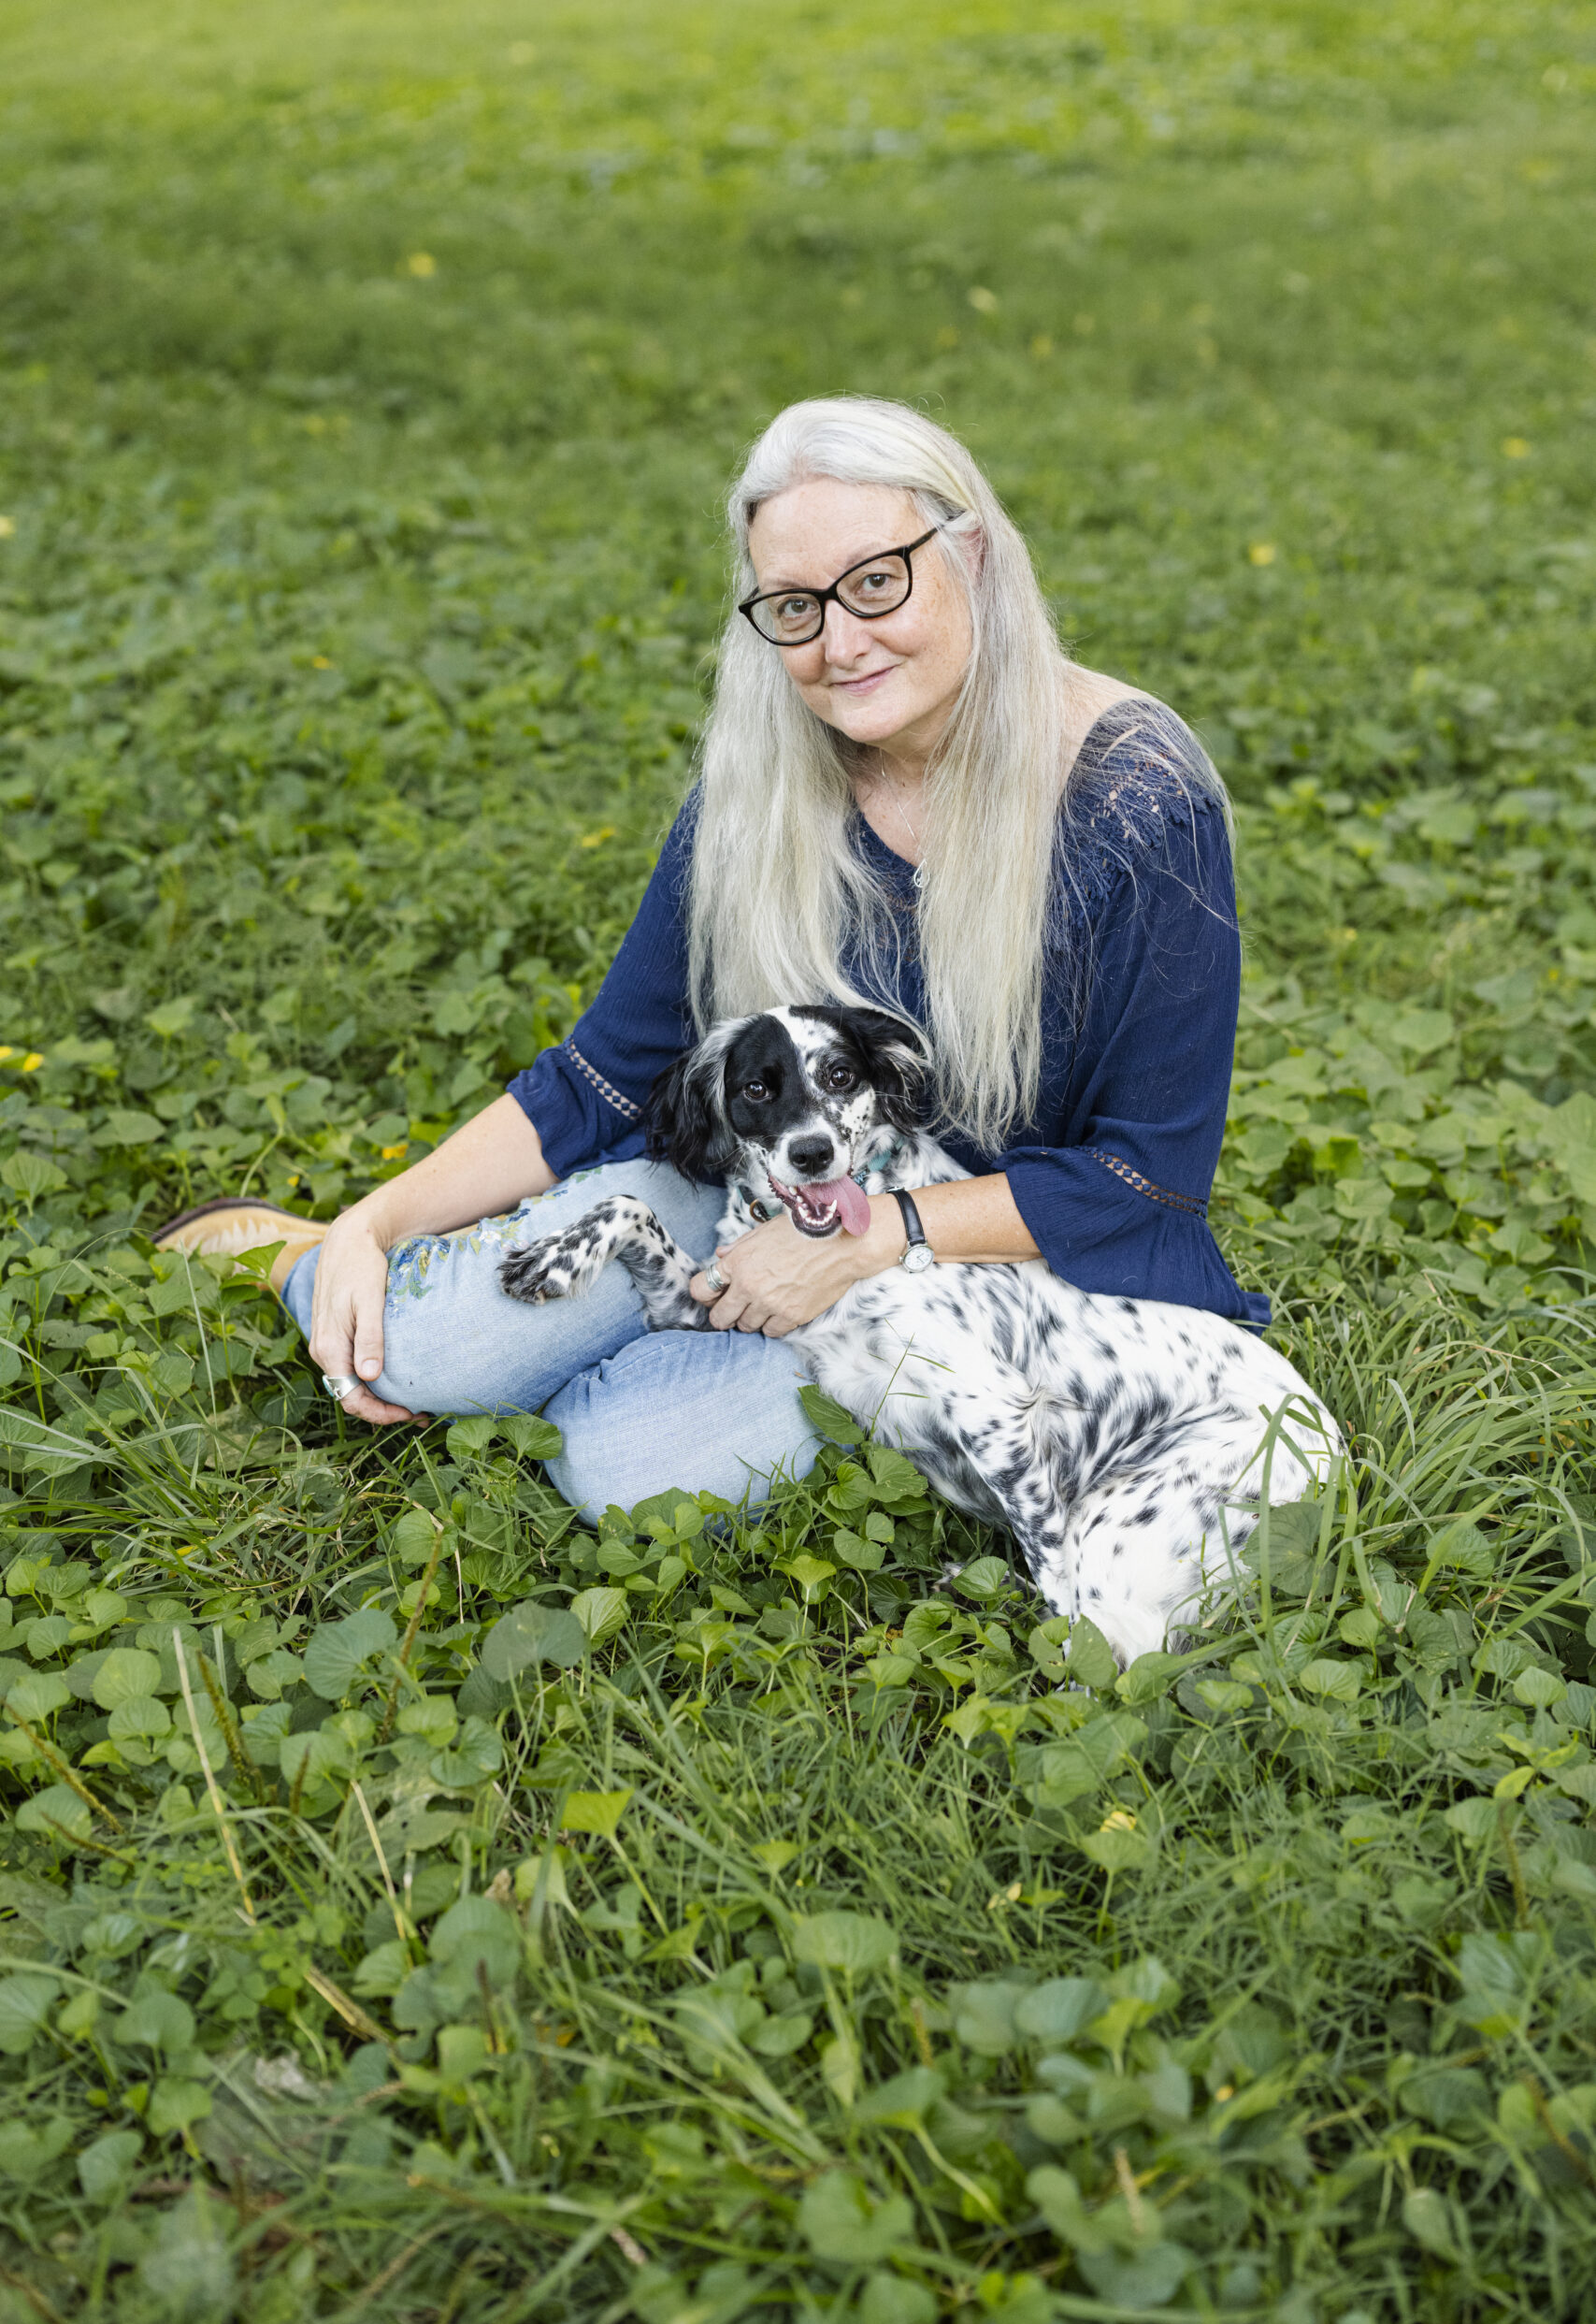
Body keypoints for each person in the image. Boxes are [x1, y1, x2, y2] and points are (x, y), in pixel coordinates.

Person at [156, 396, 1266, 1523]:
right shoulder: (764, 790)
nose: (841, 643)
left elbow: (1147, 1176)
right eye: (795, 607)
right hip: (757, 1200)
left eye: (876, 582)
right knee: (426, 1350)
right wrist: (375, 1221)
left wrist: (874, 1239)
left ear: (968, 555)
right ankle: (309, 1263)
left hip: (1004, 1281)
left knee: (627, 1470)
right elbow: (599, 1076)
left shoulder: (1137, 802)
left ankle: (564, 1354)